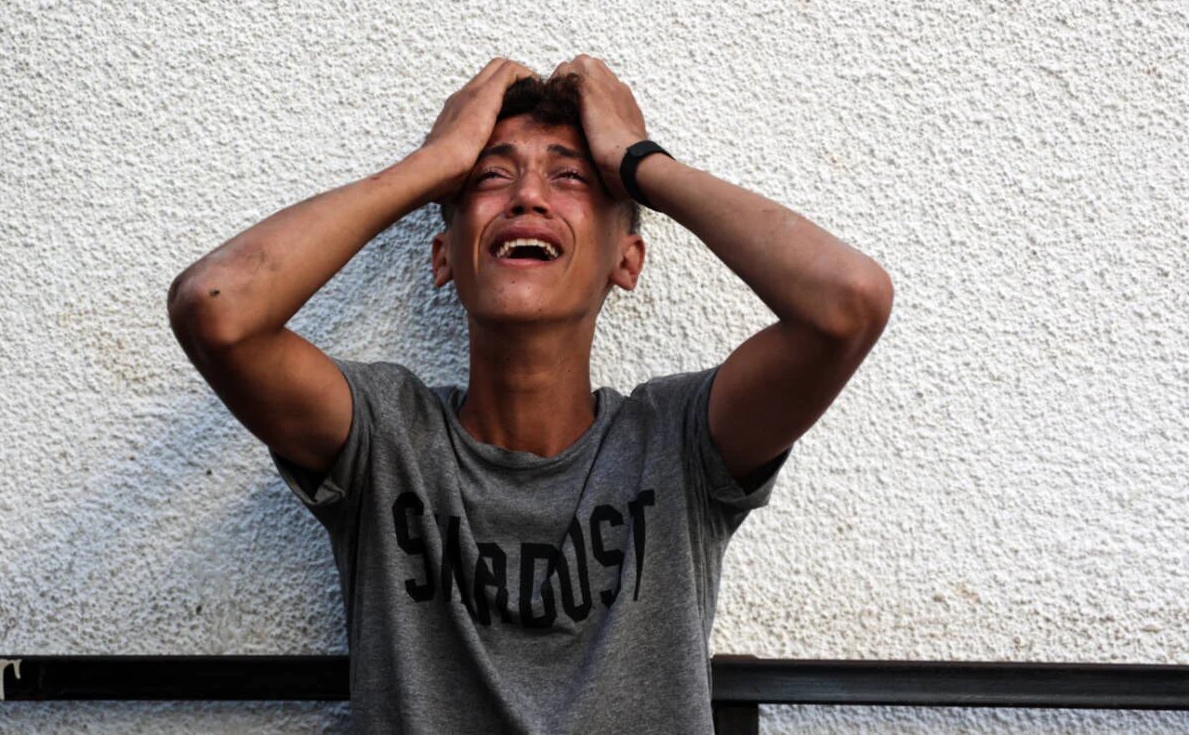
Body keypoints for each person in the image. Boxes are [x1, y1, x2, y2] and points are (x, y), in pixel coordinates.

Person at [167, 55, 893, 733]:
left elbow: (849, 303)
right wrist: (435, 163)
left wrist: (639, 161)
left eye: (570, 177)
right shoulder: (384, 440)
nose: (528, 197)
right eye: (491, 176)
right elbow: (216, 306)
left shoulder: (677, 444)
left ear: (627, 259)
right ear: (444, 257)